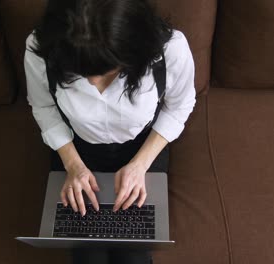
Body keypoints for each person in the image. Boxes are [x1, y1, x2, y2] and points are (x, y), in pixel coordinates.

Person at [24, 0, 196, 263]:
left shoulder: (169, 48)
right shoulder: (42, 47)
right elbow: (43, 106)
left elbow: (179, 106)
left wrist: (140, 166)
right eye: (80, 73)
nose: (93, 83)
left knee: (133, 254)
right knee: (87, 254)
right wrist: (73, 166)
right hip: (76, 148)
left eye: (106, 70)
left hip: (142, 147)